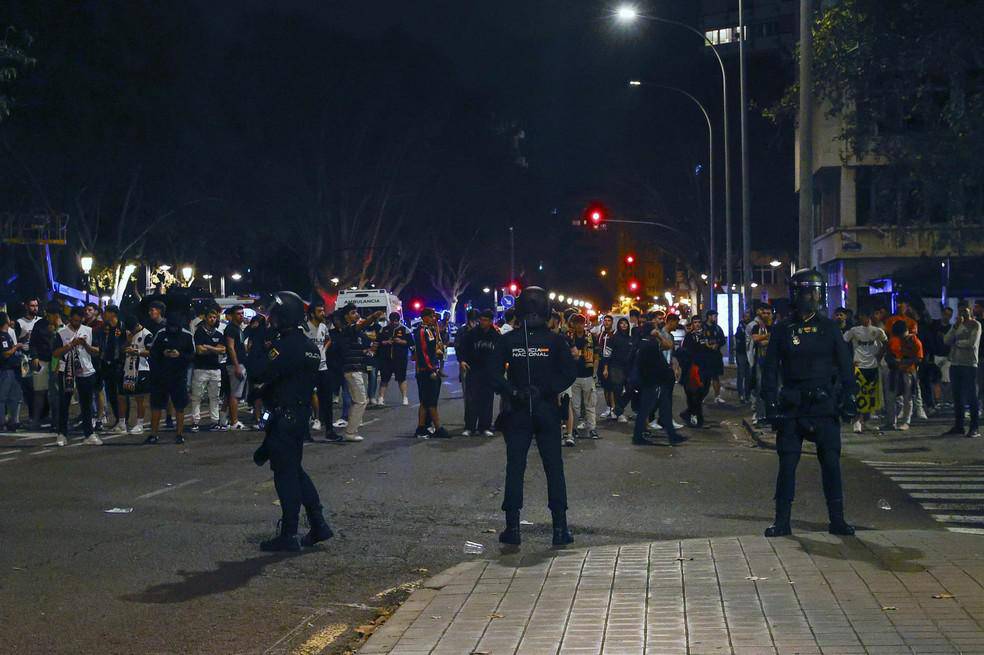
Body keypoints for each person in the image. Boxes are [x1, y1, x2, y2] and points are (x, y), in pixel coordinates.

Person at [761, 269, 858, 538]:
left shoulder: (829, 328)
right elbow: (770, 369)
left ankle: (837, 519)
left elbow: (845, 365)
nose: (812, 296)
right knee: (787, 463)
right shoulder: (782, 329)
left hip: (823, 403)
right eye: (807, 291)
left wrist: (849, 395)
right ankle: (782, 520)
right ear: (797, 294)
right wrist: (769, 403)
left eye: (815, 291)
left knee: (830, 462)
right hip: (792, 404)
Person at [490, 287, 577, 546]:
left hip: (517, 408)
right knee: (554, 468)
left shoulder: (508, 340)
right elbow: (569, 372)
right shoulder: (555, 340)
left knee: (515, 467)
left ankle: (513, 528)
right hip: (547, 408)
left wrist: (513, 391)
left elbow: (493, 374)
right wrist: (546, 389)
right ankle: (560, 528)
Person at [251, 291, 333, 552]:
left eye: (274, 315)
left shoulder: (284, 346)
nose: (271, 320)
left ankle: (289, 533)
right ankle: (318, 523)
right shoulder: (308, 346)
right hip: (298, 416)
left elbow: (257, 372)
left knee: (285, 476)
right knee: (295, 470)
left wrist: (259, 339)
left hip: (283, 418)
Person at [629, 319, 684, 445]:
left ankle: (672, 435)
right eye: (655, 328)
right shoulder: (649, 344)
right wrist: (659, 335)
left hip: (656, 382)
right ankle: (638, 437)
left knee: (664, 407)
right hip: (652, 382)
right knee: (646, 409)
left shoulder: (649, 343)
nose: (657, 330)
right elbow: (667, 346)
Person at [53, 307, 102, 446]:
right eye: (74, 320)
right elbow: (55, 353)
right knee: (64, 403)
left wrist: (85, 344)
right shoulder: (61, 333)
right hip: (66, 372)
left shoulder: (89, 331)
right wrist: (70, 345)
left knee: (86, 404)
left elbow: (97, 351)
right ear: (70, 319)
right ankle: (62, 434)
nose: (77, 323)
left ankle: (89, 433)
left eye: (79, 321)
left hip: (86, 371)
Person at [145, 313, 194, 445]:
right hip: (160, 375)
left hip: (178, 376)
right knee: (156, 405)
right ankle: (153, 434)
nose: (172, 329)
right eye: (170, 326)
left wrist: (180, 355)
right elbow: (152, 351)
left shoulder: (187, 335)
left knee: (180, 406)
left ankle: (179, 434)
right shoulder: (161, 333)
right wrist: (163, 353)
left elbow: (192, 355)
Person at [843, 313, 887, 432]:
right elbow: (843, 342)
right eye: (863, 316)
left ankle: (866, 421)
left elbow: (886, 343)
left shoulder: (877, 331)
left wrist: (879, 355)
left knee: (870, 394)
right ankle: (857, 421)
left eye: (868, 316)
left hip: (872, 366)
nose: (866, 319)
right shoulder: (854, 330)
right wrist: (849, 359)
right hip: (859, 366)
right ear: (860, 318)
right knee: (859, 394)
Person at [458, 309, 499, 436]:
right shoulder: (472, 334)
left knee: (487, 399)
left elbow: (501, 353)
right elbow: (461, 347)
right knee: (471, 399)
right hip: (473, 370)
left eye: (485, 320)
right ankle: (469, 427)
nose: (482, 322)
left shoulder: (496, 336)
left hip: (489, 372)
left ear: (491, 321)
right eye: (481, 319)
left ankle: (484, 426)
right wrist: (462, 360)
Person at [943, 306, 981, 438]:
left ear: (970, 312)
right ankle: (959, 426)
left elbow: (971, 343)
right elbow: (946, 340)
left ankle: (974, 427)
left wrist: (957, 342)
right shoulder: (957, 326)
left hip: (969, 364)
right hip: (955, 363)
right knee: (957, 397)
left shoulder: (975, 325)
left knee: (971, 396)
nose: (962, 314)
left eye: (965, 311)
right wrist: (954, 328)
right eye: (960, 312)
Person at [413, 308, 449, 439]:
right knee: (430, 401)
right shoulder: (422, 331)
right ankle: (438, 427)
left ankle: (422, 427)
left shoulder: (431, 330)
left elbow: (436, 346)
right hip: (426, 370)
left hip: (433, 367)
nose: (435, 318)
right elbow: (423, 353)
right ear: (425, 317)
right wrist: (431, 369)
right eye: (432, 316)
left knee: (426, 401)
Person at [189, 308, 226, 432]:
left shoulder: (218, 334)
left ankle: (214, 421)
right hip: (201, 369)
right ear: (205, 318)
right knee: (196, 396)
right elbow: (199, 350)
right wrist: (215, 349)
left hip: (215, 369)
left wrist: (208, 347)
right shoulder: (199, 332)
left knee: (214, 397)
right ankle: (195, 421)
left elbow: (222, 349)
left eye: (214, 317)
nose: (212, 319)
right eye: (210, 317)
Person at [304, 299, 336, 439]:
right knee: (306, 401)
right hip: (308, 369)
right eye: (319, 311)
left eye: (323, 310)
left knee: (327, 400)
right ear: (311, 314)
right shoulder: (304, 328)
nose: (323, 313)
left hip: (323, 367)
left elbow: (328, 339)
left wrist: (324, 349)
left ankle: (329, 430)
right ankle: (305, 432)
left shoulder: (323, 327)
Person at [28, 301, 62, 430]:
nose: (53, 317)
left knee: (55, 394)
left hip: (56, 362)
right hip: (42, 361)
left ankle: (56, 421)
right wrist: (35, 356)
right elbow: (33, 343)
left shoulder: (62, 325)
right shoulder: (39, 325)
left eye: (55, 314)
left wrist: (56, 330)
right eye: (52, 315)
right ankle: (36, 420)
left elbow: (63, 343)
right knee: (39, 392)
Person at [885, 320, 923, 431]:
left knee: (908, 397)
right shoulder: (893, 340)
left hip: (909, 372)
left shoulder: (915, 341)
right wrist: (893, 362)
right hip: (895, 372)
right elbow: (888, 355)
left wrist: (903, 362)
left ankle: (906, 422)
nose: (901, 338)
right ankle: (891, 422)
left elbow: (919, 358)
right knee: (890, 397)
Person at [567, 314, 599, 440]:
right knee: (574, 406)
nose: (579, 325)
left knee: (590, 404)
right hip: (573, 376)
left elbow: (596, 356)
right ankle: (573, 428)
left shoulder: (591, 337)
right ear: (573, 324)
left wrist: (595, 373)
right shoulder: (569, 337)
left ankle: (592, 428)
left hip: (588, 375)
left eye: (581, 322)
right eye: (577, 323)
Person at [98, 305, 128, 432]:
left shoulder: (122, 327)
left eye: (107, 312)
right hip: (107, 363)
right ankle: (118, 418)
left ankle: (124, 420)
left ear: (113, 314)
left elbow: (125, 344)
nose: (104, 315)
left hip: (119, 363)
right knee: (111, 393)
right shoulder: (106, 328)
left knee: (121, 393)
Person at [120, 315, 151, 434]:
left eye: (132, 329)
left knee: (140, 398)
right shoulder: (129, 334)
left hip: (142, 368)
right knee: (124, 395)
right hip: (128, 369)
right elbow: (122, 349)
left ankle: (140, 424)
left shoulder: (146, 334)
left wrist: (137, 352)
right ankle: (122, 423)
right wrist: (127, 341)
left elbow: (150, 352)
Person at [678, 316, 712, 428]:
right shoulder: (689, 336)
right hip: (693, 368)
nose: (697, 324)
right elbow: (685, 352)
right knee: (693, 393)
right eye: (695, 322)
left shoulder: (706, 334)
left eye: (698, 322)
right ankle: (696, 416)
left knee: (704, 390)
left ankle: (690, 412)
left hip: (705, 367)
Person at [602, 317, 633, 423]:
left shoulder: (630, 339)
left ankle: (617, 409)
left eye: (626, 323)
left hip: (628, 368)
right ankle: (619, 414)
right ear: (618, 325)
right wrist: (605, 368)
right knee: (617, 390)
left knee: (630, 389)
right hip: (615, 367)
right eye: (622, 323)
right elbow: (607, 354)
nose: (624, 325)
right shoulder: (614, 338)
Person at [0, 312, 27, 431]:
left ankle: (14, 421)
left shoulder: (8, 334)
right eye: (8, 317)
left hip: (14, 370)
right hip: (6, 370)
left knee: (15, 396)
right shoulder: (2, 336)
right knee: (2, 397)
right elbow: (5, 354)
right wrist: (16, 347)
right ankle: (1, 423)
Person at [223, 305, 248, 431]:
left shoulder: (238, 329)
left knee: (235, 393)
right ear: (232, 315)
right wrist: (237, 365)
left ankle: (229, 420)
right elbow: (230, 347)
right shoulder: (231, 329)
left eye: (242, 313)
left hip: (239, 363)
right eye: (238, 314)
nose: (241, 315)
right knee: (235, 394)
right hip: (235, 365)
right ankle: (234, 422)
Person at [377, 312, 410, 406]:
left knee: (401, 378)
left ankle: (404, 397)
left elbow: (411, 343)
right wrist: (386, 342)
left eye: (396, 321)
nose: (394, 323)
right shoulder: (383, 329)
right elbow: (378, 341)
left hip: (400, 359)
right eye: (392, 321)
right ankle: (381, 398)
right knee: (384, 379)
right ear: (389, 320)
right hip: (386, 359)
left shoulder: (405, 329)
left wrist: (401, 341)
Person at [703, 309, 727, 404]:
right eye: (714, 316)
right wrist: (706, 345)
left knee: (716, 376)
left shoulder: (717, 328)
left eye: (716, 316)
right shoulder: (703, 327)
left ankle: (717, 396)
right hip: (705, 356)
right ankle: (702, 395)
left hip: (716, 355)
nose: (716, 318)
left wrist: (717, 344)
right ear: (709, 316)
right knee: (705, 377)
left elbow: (723, 340)